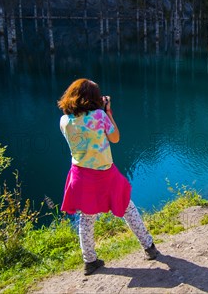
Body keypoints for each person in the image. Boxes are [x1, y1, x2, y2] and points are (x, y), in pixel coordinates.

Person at [57, 78, 158, 275]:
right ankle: (149, 247)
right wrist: (107, 112)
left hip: (80, 175)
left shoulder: (64, 121)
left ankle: (90, 261)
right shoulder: (100, 117)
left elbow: (79, 129)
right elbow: (115, 138)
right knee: (127, 206)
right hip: (104, 174)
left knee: (86, 218)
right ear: (94, 99)